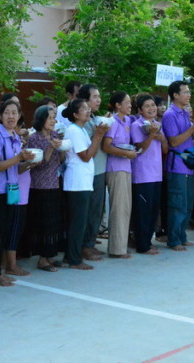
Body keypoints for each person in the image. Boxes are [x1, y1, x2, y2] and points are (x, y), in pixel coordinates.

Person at [0, 99, 36, 285]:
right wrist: (19, 158)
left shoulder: (14, 137)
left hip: (11, 191)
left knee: (5, 232)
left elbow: (15, 168)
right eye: (7, 113)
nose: (11, 116)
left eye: (14, 112)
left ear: (20, 116)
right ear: (0, 116)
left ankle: (0, 270)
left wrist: (28, 162)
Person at [163, 81, 194, 251]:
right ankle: (173, 239)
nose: (189, 95)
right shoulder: (170, 115)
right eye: (186, 92)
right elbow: (173, 141)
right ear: (175, 95)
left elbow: (188, 138)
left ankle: (181, 235)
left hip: (187, 161)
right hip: (177, 165)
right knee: (177, 203)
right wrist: (193, 128)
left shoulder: (184, 113)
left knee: (187, 203)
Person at [61, 99, 104, 270]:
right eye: (84, 109)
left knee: (79, 221)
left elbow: (90, 154)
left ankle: (71, 256)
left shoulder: (81, 130)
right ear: (75, 114)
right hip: (77, 182)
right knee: (77, 222)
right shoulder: (74, 130)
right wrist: (99, 136)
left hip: (83, 181)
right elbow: (85, 156)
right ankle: (74, 259)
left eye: (88, 108)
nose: (88, 111)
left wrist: (96, 135)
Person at [27, 105, 67, 269]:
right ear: (41, 119)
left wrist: (62, 147)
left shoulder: (55, 134)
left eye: (54, 117)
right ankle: (42, 258)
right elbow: (39, 164)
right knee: (43, 222)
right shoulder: (34, 138)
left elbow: (60, 160)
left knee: (54, 222)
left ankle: (50, 255)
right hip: (40, 185)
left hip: (54, 182)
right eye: (50, 118)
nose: (53, 121)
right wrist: (51, 147)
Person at [76, 84, 110, 258]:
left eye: (99, 96)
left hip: (100, 170)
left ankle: (90, 242)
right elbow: (89, 148)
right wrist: (99, 133)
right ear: (85, 101)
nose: (99, 100)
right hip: (90, 172)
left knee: (97, 209)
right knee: (89, 210)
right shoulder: (82, 123)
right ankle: (84, 246)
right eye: (95, 97)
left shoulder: (95, 119)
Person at [102, 91, 137, 258]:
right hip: (116, 168)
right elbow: (107, 147)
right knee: (118, 209)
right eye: (127, 102)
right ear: (118, 105)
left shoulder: (127, 121)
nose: (130, 105)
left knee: (125, 208)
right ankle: (116, 249)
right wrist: (126, 154)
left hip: (126, 167)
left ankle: (121, 246)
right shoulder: (114, 122)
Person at [130, 94, 167, 253]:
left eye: (153, 105)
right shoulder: (137, 125)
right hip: (142, 175)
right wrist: (151, 134)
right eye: (147, 106)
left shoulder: (158, 124)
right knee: (143, 212)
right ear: (140, 110)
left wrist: (161, 137)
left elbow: (165, 149)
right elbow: (140, 149)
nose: (152, 108)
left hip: (156, 174)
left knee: (153, 210)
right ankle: (142, 245)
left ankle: (148, 241)